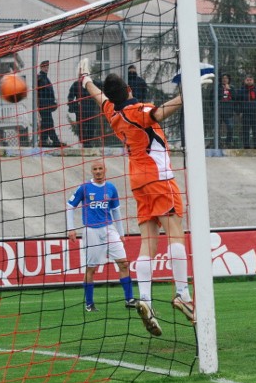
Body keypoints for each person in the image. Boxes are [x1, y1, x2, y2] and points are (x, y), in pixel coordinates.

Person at [76, 58, 213, 336]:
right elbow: (160, 113)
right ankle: (182, 295)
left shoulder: (113, 114)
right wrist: (189, 94)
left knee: (147, 245)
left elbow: (99, 95)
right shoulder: (138, 110)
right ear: (128, 89)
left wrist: (86, 78)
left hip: (137, 182)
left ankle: (146, 300)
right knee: (175, 232)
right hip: (159, 177)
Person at [66, 159, 136, 312]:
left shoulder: (111, 188)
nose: (98, 171)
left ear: (105, 170)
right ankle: (89, 304)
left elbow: (116, 211)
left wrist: (121, 233)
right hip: (91, 231)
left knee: (123, 263)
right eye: (95, 169)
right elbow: (70, 206)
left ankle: (129, 299)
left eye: (100, 169)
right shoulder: (84, 188)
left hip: (109, 229)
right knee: (91, 268)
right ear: (92, 171)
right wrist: (71, 229)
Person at [36, 60, 63, 147]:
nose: (46, 68)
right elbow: (37, 92)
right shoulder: (39, 78)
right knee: (49, 123)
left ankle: (43, 142)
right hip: (43, 105)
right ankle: (55, 142)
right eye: (44, 66)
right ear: (41, 67)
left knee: (46, 123)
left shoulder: (46, 79)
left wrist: (53, 103)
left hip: (47, 105)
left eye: (47, 67)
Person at [68, 77, 101, 147]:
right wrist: (74, 107)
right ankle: (85, 143)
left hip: (91, 110)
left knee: (91, 127)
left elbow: (101, 86)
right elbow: (70, 98)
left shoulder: (92, 83)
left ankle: (88, 142)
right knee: (81, 128)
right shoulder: (76, 84)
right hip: (80, 111)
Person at [237, 74, 256, 149]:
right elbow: (238, 101)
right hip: (245, 113)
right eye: (247, 80)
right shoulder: (241, 90)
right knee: (245, 131)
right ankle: (246, 147)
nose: (249, 81)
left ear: (253, 81)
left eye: (250, 80)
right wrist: (239, 112)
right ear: (245, 81)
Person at [218, 73, 236, 148]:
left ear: (229, 80)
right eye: (223, 78)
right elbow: (212, 98)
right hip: (219, 111)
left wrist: (230, 90)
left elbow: (235, 98)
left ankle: (228, 142)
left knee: (230, 126)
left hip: (228, 111)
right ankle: (218, 143)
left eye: (226, 78)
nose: (225, 79)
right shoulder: (217, 88)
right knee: (217, 128)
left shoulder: (232, 88)